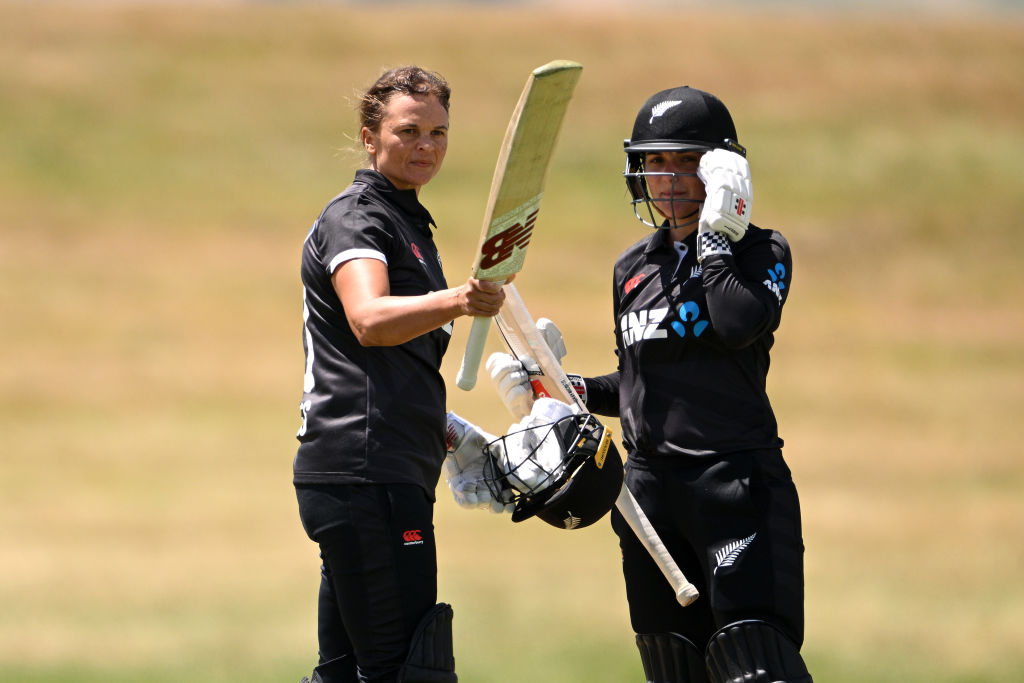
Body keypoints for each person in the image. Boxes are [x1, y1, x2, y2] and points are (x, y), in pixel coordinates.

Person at [489, 86, 811, 682]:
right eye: (655, 162)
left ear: (721, 169)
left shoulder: (763, 250)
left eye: (685, 162)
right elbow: (637, 384)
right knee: (672, 670)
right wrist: (564, 390)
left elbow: (738, 324)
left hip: (736, 486)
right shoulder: (632, 269)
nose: (667, 179)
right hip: (647, 495)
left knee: (754, 667)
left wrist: (715, 239)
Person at [293, 65, 509, 683]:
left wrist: (440, 428)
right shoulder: (359, 216)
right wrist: (460, 300)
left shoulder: (410, 223)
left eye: (439, 133)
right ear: (369, 137)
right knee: (408, 673)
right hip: (366, 475)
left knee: (346, 674)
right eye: (408, 130)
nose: (426, 147)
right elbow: (369, 320)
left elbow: (392, 365)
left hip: (378, 471)